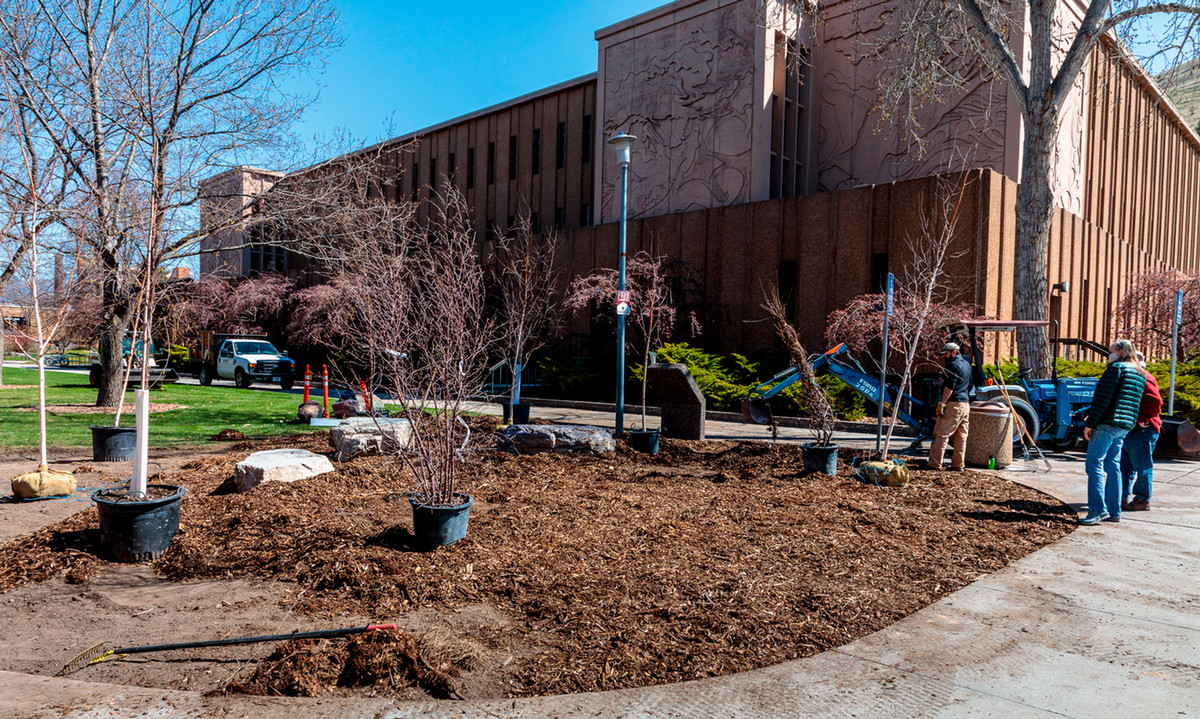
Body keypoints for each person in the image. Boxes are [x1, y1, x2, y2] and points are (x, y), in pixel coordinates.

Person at [1080, 339, 1147, 525]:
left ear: (1120, 352)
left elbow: (1102, 399)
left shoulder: (1116, 369)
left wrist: (1090, 423)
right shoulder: (1139, 372)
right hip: (1124, 426)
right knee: (1113, 466)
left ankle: (1096, 510)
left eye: (1111, 351)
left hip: (1107, 424)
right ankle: (1114, 511)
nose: (1109, 354)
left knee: (1094, 464)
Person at [1120, 351, 1162, 511]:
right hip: (1134, 429)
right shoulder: (1139, 376)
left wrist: (1140, 418)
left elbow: (1155, 402)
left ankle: (1142, 499)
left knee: (1142, 465)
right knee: (1125, 465)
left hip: (1143, 429)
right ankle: (1122, 496)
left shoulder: (1143, 377)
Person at [926, 342, 972, 471]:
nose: (944, 357)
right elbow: (969, 385)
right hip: (965, 405)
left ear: (954, 352)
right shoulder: (967, 365)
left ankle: (935, 464)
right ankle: (958, 465)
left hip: (953, 404)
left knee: (941, 434)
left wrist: (942, 403)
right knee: (961, 437)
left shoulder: (952, 366)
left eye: (946, 354)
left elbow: (949, 387)